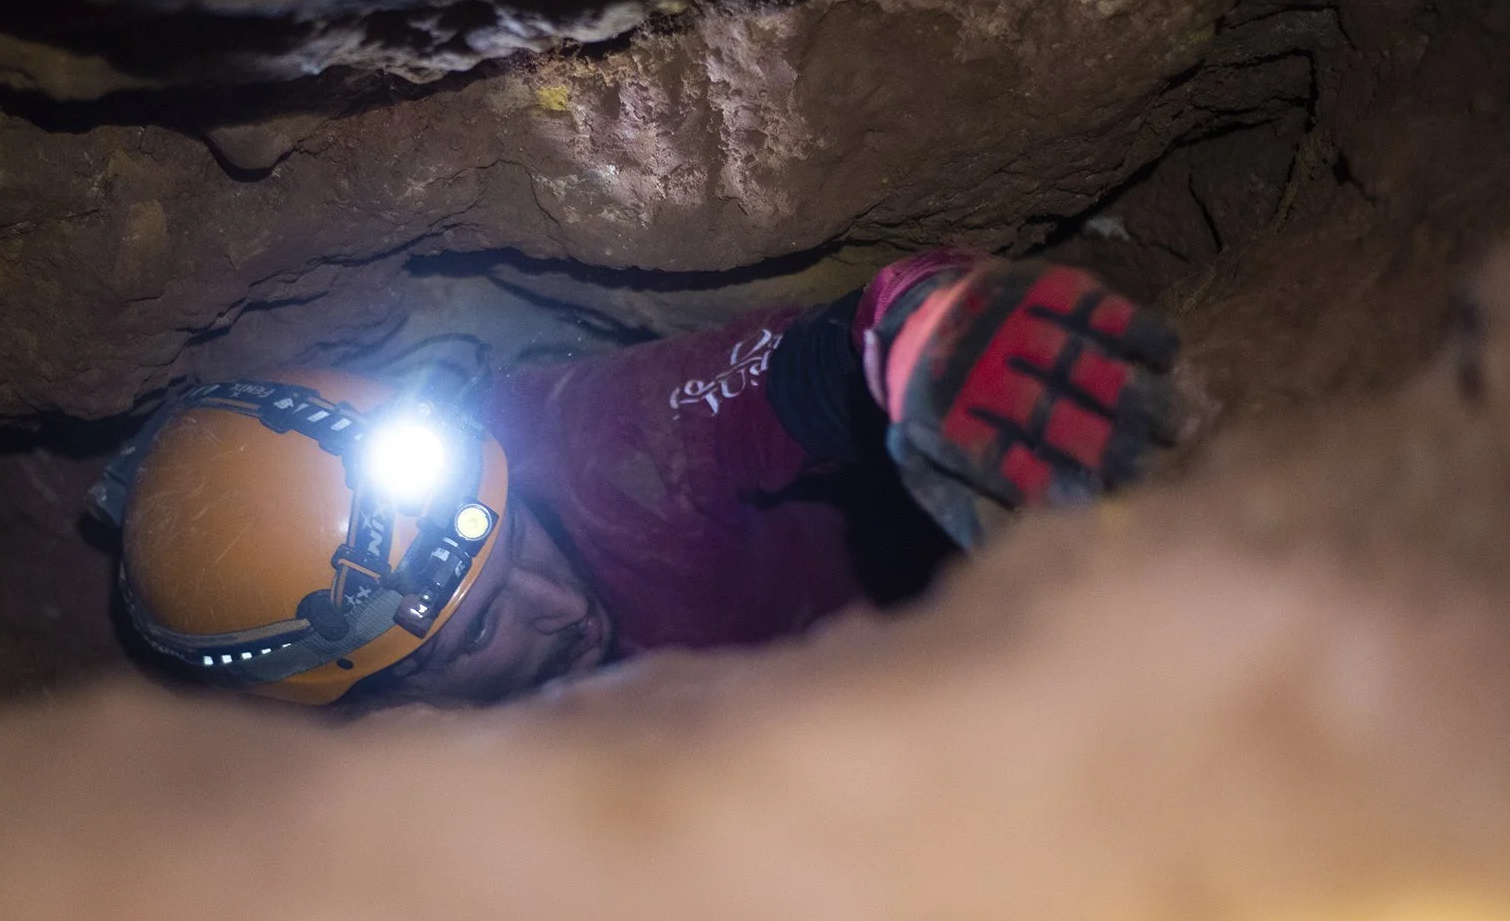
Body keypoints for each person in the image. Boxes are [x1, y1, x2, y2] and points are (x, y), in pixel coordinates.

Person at [88, 250, 1178, 708]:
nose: (561, 604)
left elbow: (784, 379)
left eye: (517, 542)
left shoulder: (572, 451)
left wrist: (922, 330)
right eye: (476, 631)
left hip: (950, 652)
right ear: (379, 692)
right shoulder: (383, 799)